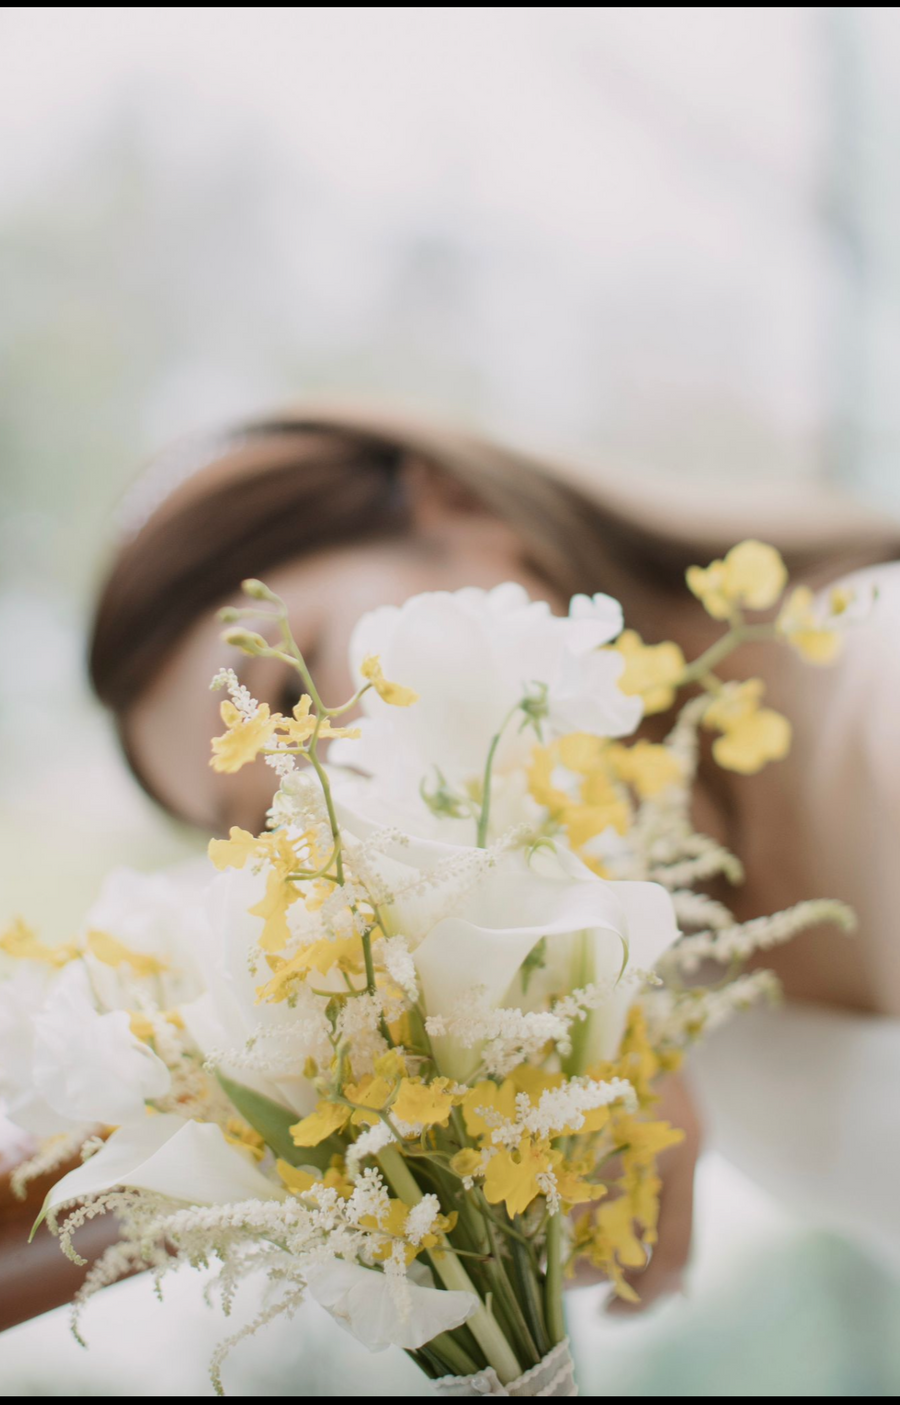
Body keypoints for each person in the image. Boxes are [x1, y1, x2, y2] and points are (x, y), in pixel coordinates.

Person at [5, 402, 900, 1330]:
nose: (329, 810)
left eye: (298, 688)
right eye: (269, 815)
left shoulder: (878, 693)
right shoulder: (622, 974)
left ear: (460, 506)